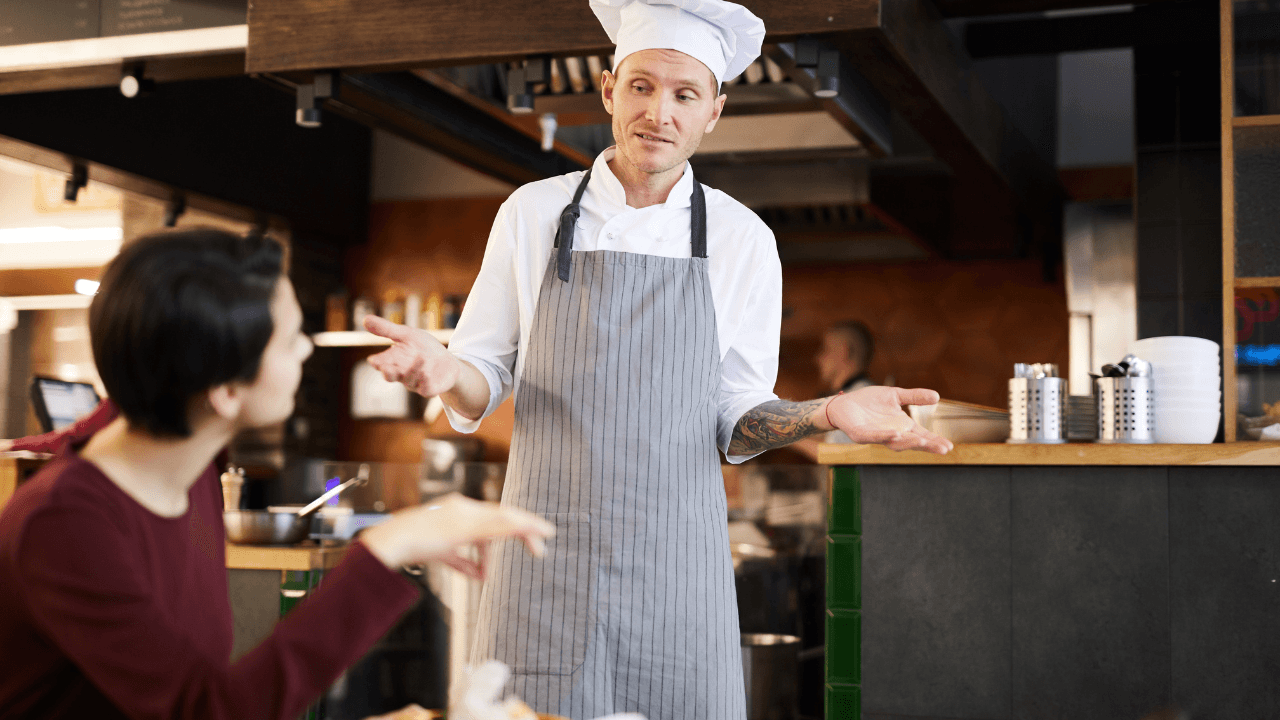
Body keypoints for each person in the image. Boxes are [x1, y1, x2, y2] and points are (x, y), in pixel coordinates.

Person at [359, 1, 952, 716]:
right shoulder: (531, 213)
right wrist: (441, 368)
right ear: (609, 90)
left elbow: (736, 418)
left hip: (676, 578)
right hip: (541, 568)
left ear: (714, 111)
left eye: (684, 94)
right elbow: (482, 376)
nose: (659, 113)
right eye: (641, 87)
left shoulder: (743, 240)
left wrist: (827, 411)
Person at [0, 229, 554, 720]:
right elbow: (208, 710)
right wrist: (391, 544)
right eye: (289, 339)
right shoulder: (66, 526)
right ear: (226, 391)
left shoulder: (186, 464)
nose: (307, 347)